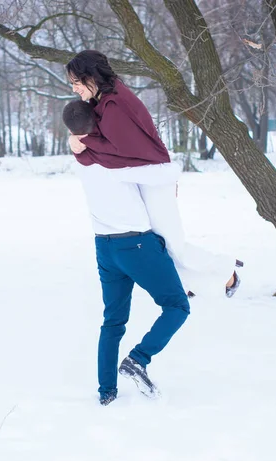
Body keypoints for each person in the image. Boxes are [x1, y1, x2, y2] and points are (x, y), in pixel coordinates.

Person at [65, 50, 242, 298]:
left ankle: (226, 271)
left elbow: (119, 153)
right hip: (145, 178)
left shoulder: (115, 104)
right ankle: (187, 284)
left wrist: (84, 147)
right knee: (157, 244)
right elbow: (103, 146)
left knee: (172, 243)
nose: (74, 89)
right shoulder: (103, 101)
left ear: (90, 77)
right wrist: (78, 143)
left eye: (76, 82)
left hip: (155, 180)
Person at [62, 104, 190, 406]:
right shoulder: (115, 159)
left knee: (113, 321)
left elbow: (77, 137)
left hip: (104, 246)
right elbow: (163, 172)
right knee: (177, 306)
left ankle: (107, 391)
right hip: (137, 244)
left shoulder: (81, 158)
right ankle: (138, 358)